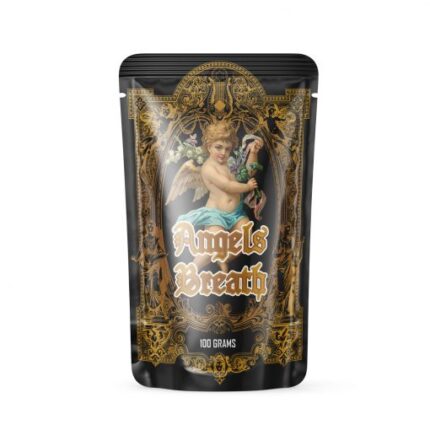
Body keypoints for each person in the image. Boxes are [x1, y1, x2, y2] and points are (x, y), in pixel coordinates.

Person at [176, 120, 263, 271]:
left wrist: (253, 153)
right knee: (214, 244)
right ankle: (191, 271)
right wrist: (247, 187)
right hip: (215, 215)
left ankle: (223, 258)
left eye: (227, 149)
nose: (223, 152)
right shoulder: (208, 168)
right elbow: (227, 186)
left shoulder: (230, 162)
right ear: (209, 146)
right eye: (218, 147)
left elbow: (248, 172)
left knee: (245, 236)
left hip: (236, 214)